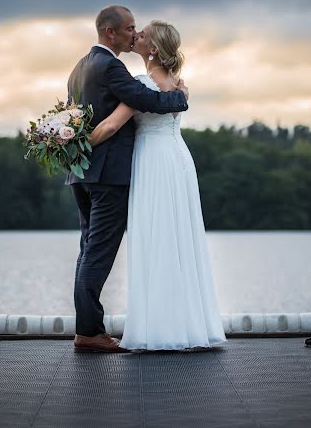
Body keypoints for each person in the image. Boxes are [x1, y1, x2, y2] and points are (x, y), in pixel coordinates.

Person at [89, 20, 227, 350]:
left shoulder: (141, 84)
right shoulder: (178, 84)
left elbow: (109, 126)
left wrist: (72, 144)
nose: (135, 35)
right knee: (179, 238)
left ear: (151, 49)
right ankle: (187, 325)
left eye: (142, 34)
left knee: (156, 237)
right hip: (178, 158)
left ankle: (158, 328)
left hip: (152, 160)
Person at [67, 5, 189, 353]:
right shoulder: (113, 67)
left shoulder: (81, 67)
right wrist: (179, 99)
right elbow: (139, 101)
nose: (134, 35)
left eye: (139, 31)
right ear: (111, 33)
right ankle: (89, 332)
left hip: (83, 174)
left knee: (87, 251)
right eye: (130, 29)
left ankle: (87, 329)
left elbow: (77, 114)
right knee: (97, 254)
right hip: (108, 175)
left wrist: (72, 151)